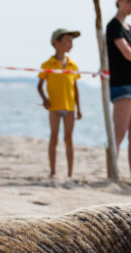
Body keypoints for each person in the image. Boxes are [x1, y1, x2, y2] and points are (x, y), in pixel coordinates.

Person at [106, 0, 131, 189]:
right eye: (129, 1)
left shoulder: (128, 27)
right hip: (123, 83)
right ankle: (112, 176)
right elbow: (129, 54)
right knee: (118, 134)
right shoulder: (113, 26)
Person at [37, 29, 83, 178]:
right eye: (67, 40)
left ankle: (70, 173)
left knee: (68, 139)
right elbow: (39, 86)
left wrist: (79, 109)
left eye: (72, 41)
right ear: (56, 43)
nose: (71, 44)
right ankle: (52, 171)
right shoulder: (48, 64)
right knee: (53, 137)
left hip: (69, 107)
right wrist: (45, 99)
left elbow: (75, 89)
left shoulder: (72, 65)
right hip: (54, 107)